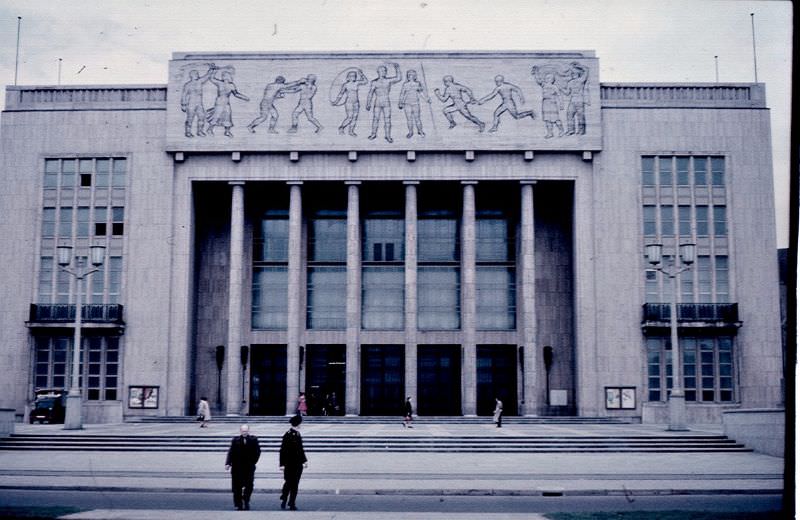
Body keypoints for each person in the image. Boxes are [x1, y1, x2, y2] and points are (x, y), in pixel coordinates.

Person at [225, 424, 261, 511]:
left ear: (248, 431)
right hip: (237, 467)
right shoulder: (235, 440)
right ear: (240, 431)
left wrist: (253, 461)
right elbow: (231, 452)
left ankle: (246, 500)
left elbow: (258, 452)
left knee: (249, 485)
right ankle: (239, 503)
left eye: (246, 431)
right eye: (243, 431)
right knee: (236, 487)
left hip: (249, 467)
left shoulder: (254, 440)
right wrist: (228, 463)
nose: (244, 432)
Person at [206, 69, 250, 137]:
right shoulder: (219, 83)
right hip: (219, 102)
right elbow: (211, 78)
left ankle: (227, 131)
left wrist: (244, 97)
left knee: (227, 116)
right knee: (217, 115)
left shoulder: (232, 85)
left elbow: (236, 94)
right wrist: (213, 71)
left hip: (226, 103)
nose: (224, 77)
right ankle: (210, 129)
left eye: (225, 75)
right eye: (223, 75)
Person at [366, 62, 402, 143]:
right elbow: (370, 93)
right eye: (382, 71)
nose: (383, 72)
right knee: (376, 119)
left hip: (386, 100)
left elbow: (399, 78)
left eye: (385, 71)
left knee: (387, 119)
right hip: (378, 101)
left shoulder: (388, 81)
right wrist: (368, 103)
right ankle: (373, 134)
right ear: (378, 72)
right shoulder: (374, 82)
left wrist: (397, 68)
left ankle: (388, 136)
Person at [279, 415, 308, 511]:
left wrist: (304, 460)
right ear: (297, 424)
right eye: (300, 423)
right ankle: (284, 496)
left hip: (298, 464)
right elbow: (283, 450)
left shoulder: (298, 434)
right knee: (289, 482)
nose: (301, 425)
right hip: (289, 464)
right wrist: (282, 464)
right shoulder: (287, 435)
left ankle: (291, 503)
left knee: (295, 484)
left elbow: (300, 449)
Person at [180, 64, 216, 137]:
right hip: (191, 104)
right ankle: (188, 132)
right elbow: (184, 95)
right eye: (196, 74)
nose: (197, 75)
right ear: (191, 75)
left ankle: (200, 131)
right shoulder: (188, 85)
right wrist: (183, 105)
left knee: (202, 117)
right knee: (190, 119)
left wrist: (211, 69)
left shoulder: (199, 82)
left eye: (197, 73)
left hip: (199, 104)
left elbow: (207, 76)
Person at [333, 69, 368, 136]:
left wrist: (361, 74)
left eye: (354, 76)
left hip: (356, 102)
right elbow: (341, 94)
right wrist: (336, 102)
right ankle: (341, 127)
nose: (353, 77)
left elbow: (365, 81)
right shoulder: (345, 85)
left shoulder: (357, 83)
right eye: (351, 76)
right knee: (350, 117)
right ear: (348, 77)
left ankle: (351, 131)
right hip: (349, 103)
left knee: (355, 117)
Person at [398, 69, 430, 138]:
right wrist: (400, 102)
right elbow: (402, 94)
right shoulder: (405, 84)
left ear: (415, 76)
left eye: (412, 75)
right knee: (409, 119)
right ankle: (410, 132)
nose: (410, 76)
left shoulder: (417, 84)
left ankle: (420, 131)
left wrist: (426, 99)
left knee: (417, 118)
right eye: (409, 75)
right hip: (407, 103)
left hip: (415, 103)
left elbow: (421, 93)